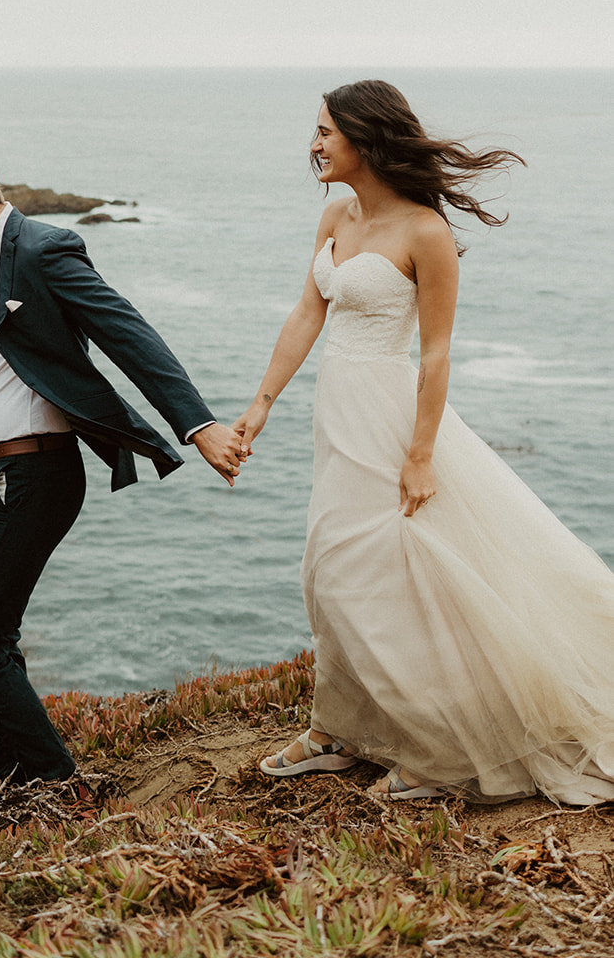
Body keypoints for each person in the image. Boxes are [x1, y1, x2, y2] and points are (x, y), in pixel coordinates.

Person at [234, 79, 614, 804]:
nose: (312, 145)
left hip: (390, 417)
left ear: (365, 139)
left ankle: (440, 752)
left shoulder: (425, 232)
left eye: (324, 132)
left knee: (362, 574)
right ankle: (336, 730)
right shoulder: (336, 218)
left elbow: (436, 354)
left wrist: (418, 456)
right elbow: (306, 314)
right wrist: (259, 405)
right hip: (335, 417)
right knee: (326, 570)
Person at [0, 134, 242, 786]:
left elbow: (126, 331)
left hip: (31, 474)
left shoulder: (42, 250)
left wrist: (196, 424)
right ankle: (22, 781)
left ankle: (58, 782)